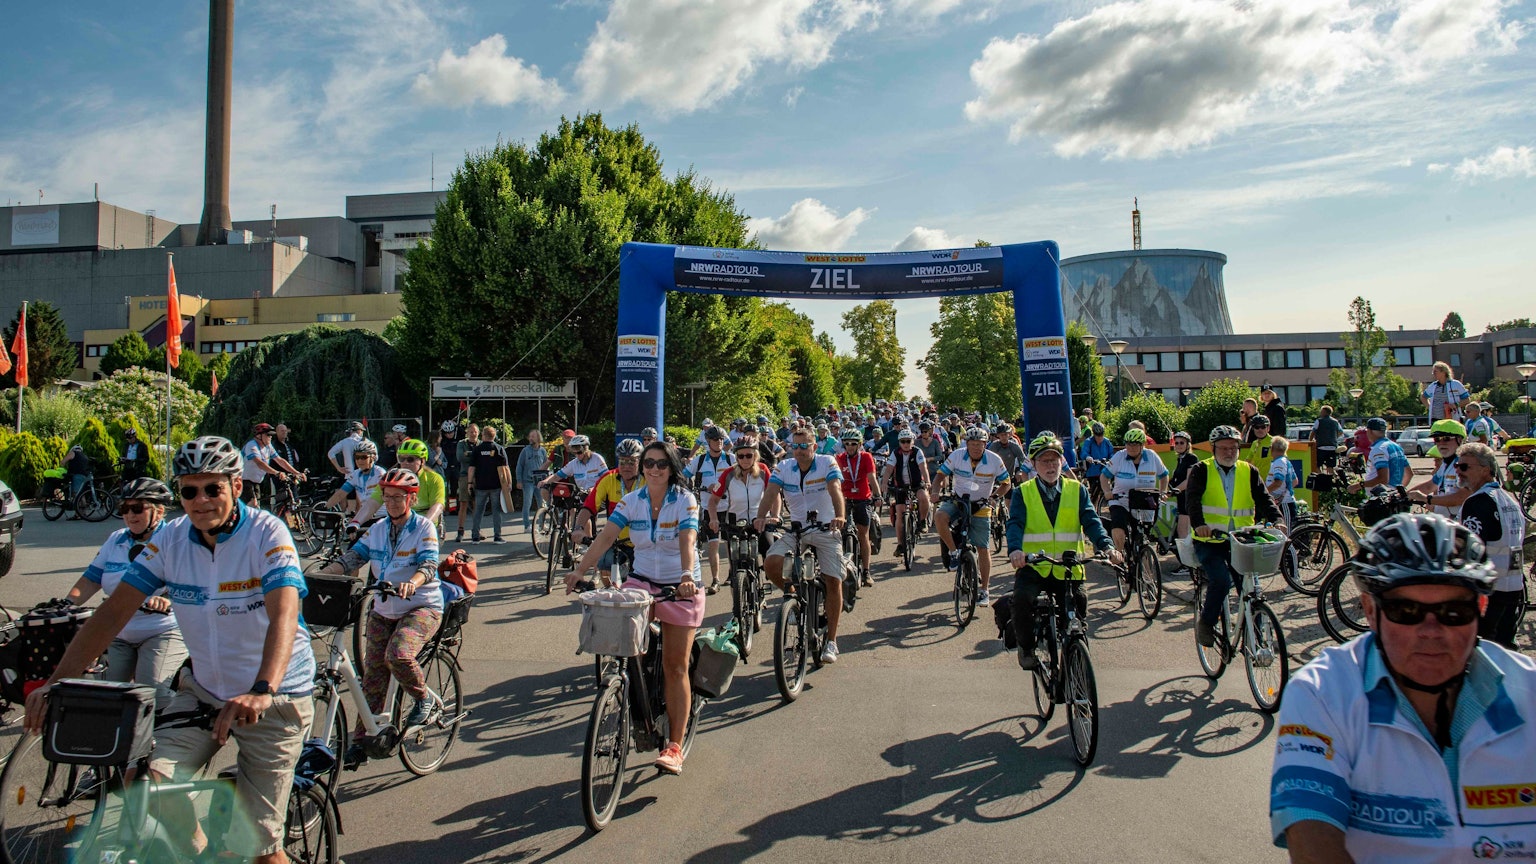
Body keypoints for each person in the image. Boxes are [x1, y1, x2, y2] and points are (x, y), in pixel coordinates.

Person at [25, 436, 315, 864]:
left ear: (236, 486)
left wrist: (263, 687)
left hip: (274, 696)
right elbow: (110, 616)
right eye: (189, 490)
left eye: (212, 488)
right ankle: (203, 854)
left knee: (259, 853)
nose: (200, 500)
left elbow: (284, 614)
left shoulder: (266, 532)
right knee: (147, 786)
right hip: (204, 690)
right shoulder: (171, 540)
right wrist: (55, 684)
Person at [1270, 512, 1536, 863]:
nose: (1430, 631)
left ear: (1481, 608)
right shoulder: (1323, 691)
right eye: (1405, 610)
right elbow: (1311, 833)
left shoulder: (1528, 690)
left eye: (1453, 612)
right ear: (1369, 609)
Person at [569, 441, 703, 776]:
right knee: (626, 647)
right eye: (649, 463)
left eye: (661, 464)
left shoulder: (684, 500)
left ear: (671, 469)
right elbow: (605, 538)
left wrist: (687, 575)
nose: (655, 469)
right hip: (641, 580)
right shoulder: (632, 501)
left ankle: (674, 745)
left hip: (679, 586)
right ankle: (637, 705)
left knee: (675, 666)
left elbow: (688, 540)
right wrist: (579, 571)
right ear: (642, 467)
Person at [320, 468, 442, 769]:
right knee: (372, 676)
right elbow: (354, 558)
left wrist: (413, 581)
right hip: (384, 607)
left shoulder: (424, 527)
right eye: (386, 497)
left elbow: (428, 564)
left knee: (398, 655)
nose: (390, 503)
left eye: (397, 498)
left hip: (421, 606)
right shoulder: (376, 530)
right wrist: (318, 576)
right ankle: (363, 741)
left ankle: (423, 697)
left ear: (411, 498)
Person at [64, 477, 187, 709]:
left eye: (138, 508)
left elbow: (191, 580)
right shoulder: (116, 539)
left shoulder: (174, 541)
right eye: (125, 508)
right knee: (103, 697)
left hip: (161, 630)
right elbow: (91, 579)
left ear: (159, 511)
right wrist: (65, 603)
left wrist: (167, 599)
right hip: (119, 632)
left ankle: (166, 740)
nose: (130, 514)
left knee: (153, 694)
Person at [1006, 432, 1122, 666]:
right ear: (1034, 464)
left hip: (1069, 568)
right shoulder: (1023, 492)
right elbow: (1015, 523)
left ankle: (1077, 655)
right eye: (1044, 461)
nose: (1051, 465)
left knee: (1078, 606)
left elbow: (1091, 521)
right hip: (1035, 567)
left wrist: (1107, 547)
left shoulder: (1077, 490)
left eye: (1055, 460)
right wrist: (1015, 550)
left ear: (1062, 462)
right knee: (1021, 600)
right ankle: (1026, 648)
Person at [755, 428, 847, 663]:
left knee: (833, 580)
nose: (799, 450)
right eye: (795, 446)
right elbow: (771, 491)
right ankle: (793, 595)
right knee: (771, 562)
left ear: (814, 447)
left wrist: (840, 516)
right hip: (796, 530)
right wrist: (760, 516)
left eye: (804, 445)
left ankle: (832, 642)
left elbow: (835, 489)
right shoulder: (785, 467)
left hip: (826, 528)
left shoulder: (827, 462)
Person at [1188, 425, 1285, 647]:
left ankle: (1258, 639)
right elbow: (1192, 501)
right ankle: (1207, 623)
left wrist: (1278, 520)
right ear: (1214, 449)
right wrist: (1199, 524)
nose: (1229, 452)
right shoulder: (1201, 469)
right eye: (1224, 448)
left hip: (1241, 540)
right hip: (1210, 540)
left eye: (1233, 448)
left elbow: (1265, 499)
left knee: (1252, 587)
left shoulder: (1249, 471)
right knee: (1221, 580)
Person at [1452, 442, 1526, 648]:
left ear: (1485, 470)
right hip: (1513, 587)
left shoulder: (1478, 502)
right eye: (1457, 466)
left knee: (1481, 652)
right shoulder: (1508, 500)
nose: (1458, 471)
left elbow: (1467, 551)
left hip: (1489, 591)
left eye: (1464, 467)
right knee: (1506, 648)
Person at [935, 426, 1008, 606]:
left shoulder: (994, 460)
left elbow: (1006, 483)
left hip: (982, 505)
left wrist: (994, 497)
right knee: (939, 516)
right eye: (972, 444)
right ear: (966, 444)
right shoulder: (957, 456)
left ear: (985, 444)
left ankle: (984, 590)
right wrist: (935, 491)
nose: (976, 447)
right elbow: (940, 476)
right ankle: (954, 552)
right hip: (959, 501)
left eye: (980, 444)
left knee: (983, 548)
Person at [574, 438, 644, 577]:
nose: (626, 466)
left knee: (643, 583)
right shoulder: (608, 478)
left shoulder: (648, 480)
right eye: (622, 461)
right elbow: (588, 507)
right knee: (605, 573)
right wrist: (578, 528)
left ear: (640, 462)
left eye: (632, 461)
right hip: (616, 540)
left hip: (644, 543)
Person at [1101, 428, 1169, 561]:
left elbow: (1164, 476)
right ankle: (1119, 556)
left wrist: (1163, 492)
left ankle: (1142, 562)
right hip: (1121, 500)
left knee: (1142, 535)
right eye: (1128, 444)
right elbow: (1104, 476)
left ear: (1142, 445)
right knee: (1118, 524)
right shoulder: (1120, 456)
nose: (1131, 447)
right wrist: (1107, 492)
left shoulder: (1152, 456)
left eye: (1135, 444)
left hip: (1144, 501)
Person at [352, 438, 445, 532]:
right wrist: (356, 522)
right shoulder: (391, 477)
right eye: (401, 459)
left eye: (410, 459)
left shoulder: (434, 479)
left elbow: (437, 506)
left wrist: (424, 525)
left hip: (425, 526)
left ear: (422, 461)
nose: (405, 463)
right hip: (399, 525)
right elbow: (373, 503)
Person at [684, 428, 734, 593]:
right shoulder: (699, 461)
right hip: (708, 508)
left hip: (730, 507)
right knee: (713, 545)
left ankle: (733, 574)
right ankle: (715, 580)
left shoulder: (730, 459)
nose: (719, 442)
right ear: (708, 441)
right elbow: (682, 476)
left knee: (730, 544)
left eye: (721, 439)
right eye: (715, 439)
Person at [707, 438, 773, 560]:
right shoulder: (727, 474)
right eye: (741, 456)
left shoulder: (763, 470)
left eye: (749, 455)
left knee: (771, 555)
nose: (745, 459)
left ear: (755, 456)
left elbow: (774, 495)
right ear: (736, 458)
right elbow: (713, 500)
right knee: (735, 561)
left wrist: (776, 516)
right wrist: (713, 519)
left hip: (760, 521)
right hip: (735, 523)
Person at [835, 428, 879, 592]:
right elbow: (833, 480)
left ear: (859, 444)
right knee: (838, 532)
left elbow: (871, 477)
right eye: (847, 444)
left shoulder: (866, 457)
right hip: (844, 498)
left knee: (863, 534)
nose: (850, 447)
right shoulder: (839, 458)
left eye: (853, 444)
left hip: (862, 498)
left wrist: (878, 495)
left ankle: (866, 571)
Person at [882, 428, 931, 560]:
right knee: (899, 513)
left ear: (912, 441)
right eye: (903, 441)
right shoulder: (895, 453)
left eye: (908, 441)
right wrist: (884, 483)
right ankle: (900, 545)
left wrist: (927, 481)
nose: (905, 444)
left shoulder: (917, 451)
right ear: (899, 442)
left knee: (923, 496)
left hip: (916, 483)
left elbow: (923, 468)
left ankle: (922, 521)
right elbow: (888, 470)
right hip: (900, 485)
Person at [1408, 419, 1469, 519]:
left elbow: (1462, 497)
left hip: (1464, 526)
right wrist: (1402, 496)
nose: (1441, 443)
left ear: (1459, 439)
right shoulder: (1446, 464)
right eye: (1437, 439)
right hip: (1447, 525)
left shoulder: (1466, 463)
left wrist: (1427, 499)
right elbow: (1429, 486)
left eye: (1446, 438)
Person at [467, 425, 511, 544]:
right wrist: (509, 483)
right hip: (496, 485)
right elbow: (506, 468)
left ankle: (475, 536)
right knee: (496, 511)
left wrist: (469, 483)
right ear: (494, 436)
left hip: (481, 485)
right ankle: (497, 536)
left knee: (478, 511)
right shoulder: (499, 449)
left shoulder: (477, 449)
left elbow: (471, 468)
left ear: (483, 435)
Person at [241, 423, 301, 509]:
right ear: (259, 435)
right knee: (253, 505)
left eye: (271, 435)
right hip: (244, 480)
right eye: (268, 435)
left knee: (256, 509)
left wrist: (297, 473)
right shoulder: (252, 445)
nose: (270, 437)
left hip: (256, 481)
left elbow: (280, 461)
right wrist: (276, 472)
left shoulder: (268, 446)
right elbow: (259, 463)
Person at [1349, 417, 1410, 496]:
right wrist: (1399, 492)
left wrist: (1358, 486)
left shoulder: (1379, 449)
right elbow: (1409, 474)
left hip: (1380, 498)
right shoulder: (1396, 446)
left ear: (1369, 431)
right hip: (1394, 496)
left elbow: (1383, 479)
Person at [1167, 430, 1202, 568]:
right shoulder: (1180, 459)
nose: (1179, 445)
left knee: (1183, 532)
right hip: (1181, 499)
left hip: (1189, 499)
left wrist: (1173, 491)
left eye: (1182, 443)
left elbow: (1188, 480)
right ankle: (1187, 562)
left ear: (1188, 444)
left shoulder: (1191, 458)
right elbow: (1176, 479)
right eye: (1177, 443)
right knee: (1181, 532)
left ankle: (1188, 565)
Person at [325, 439, 382, 515]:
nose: (359, 461)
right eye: (357, 457)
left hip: (380, 517)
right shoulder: (356, 474)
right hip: (365, 517)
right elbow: (340, 494)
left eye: (364, 457)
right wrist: (325, 508)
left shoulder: (379, 474)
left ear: (373, 457)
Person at [515, 428, 549, 535]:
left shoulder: (543, 451)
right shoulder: (525, 451)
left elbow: (546, 465)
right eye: (530, 436)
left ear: (538, 438)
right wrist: (519, 480)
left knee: (542, 504)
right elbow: (519, 466)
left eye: (533, 436)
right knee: (527, 503)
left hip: (539, 482)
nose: (531, 438)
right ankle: (526, 525)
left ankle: (542, 525)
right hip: (528, 481)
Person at [453, 422, 480, 541]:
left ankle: (477, 530)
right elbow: (460, 457)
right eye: (471, 431)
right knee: (463, 503)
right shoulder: (461, 444)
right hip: (464, 476)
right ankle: (460, 530)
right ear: (467, 432)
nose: (473, 434)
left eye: (475, 431)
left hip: (479, 476)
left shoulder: (481, 444)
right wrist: (475, 455)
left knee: (477, 505)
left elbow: (483, 458)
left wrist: (469, 455)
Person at [1265, 436, 1300, 529]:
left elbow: (1278, 483)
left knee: (1286, 533)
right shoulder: (1285, 461)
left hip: (1284, 504)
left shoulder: (1279, 463)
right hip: (1286, 502)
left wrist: (1265, 492)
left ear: (1272, 448)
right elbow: (1295, 481)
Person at [1077, 423, 1114, 501]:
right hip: (1093, 471)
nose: (1100, 437)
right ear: (1094, 434)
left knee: (1107, 489)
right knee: (1094, 493)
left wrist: (1111, 460)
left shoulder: (1107, 442)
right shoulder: (1089, 441)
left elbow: (1111, 453)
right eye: (1097, 435)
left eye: (1101, 435)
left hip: (1104, 469)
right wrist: (1088, 457)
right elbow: (1084, 452)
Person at [63, 445, 93, 518]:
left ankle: (78, 514)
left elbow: (63, 461)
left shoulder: (73, 453)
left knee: (77, 494)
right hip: (85, 476)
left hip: (77, 475)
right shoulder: (85, 456)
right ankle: (83, 513)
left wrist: (63, 467)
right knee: (82, 494)